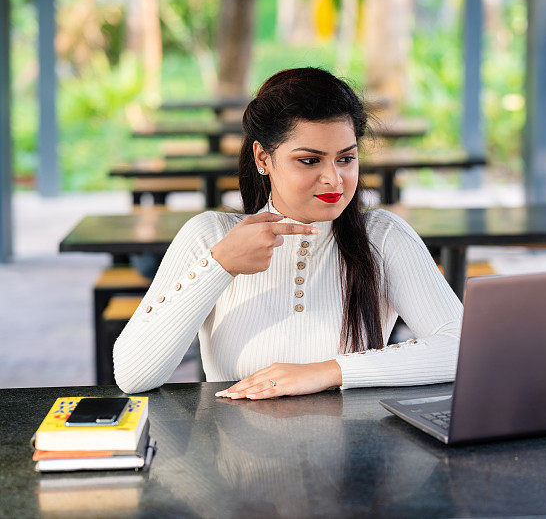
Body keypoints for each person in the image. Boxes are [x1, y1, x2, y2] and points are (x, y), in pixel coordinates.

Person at [113, 67, 463, 397]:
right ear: (263, 159)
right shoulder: (210, 236)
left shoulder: (383, 237)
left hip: (357, 456)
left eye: (346, 159)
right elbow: (133, 375)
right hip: (233, 456)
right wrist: (221, 266)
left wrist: (326, 371)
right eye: (310, 161)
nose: (334, 179)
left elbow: (463, 347)